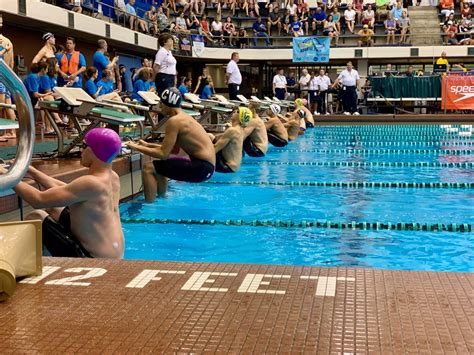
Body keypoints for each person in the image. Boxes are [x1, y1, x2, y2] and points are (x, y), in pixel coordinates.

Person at [0, 128, 124, 258]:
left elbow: (38, 200)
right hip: (114, 256)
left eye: (83, 146)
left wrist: (7, 175)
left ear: (94, 150)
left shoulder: (90, 183)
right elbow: (67, 190)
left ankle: (23, 265)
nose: (80, 151)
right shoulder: (112, 177)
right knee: (54, 209)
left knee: (36, 216)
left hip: (94, 260)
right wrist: (33, 172)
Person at [127, 88, 215, 202]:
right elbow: (173, 150)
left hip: (202, 168)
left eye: (161, 103)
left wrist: (135, 147)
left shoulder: (174, 121)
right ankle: (163, 200)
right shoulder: (183, 117)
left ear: (168, 104)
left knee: (149, 168)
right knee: (160, 166)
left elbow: (163, 154)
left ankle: (149, 209)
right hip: (207, 168)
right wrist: (146, 145)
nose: (160, 106)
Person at [213, 107, 251, 173]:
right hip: (234, 168)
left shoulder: (232, 130)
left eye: (237, 111)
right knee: (210, 137)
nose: (234, 112)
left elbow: (215, 148)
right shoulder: (240, 129)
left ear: (240, 117)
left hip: (226, 167)